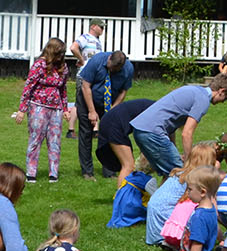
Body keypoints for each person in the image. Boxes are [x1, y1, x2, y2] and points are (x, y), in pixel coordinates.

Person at [130, 75, 227, 178]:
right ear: (221, 91)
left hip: (140, 129)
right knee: (182, 174)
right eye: (226, 97)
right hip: (153, 132)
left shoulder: (194, 90)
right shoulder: (203, 100)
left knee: (170, 173)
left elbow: (170, 122)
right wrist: (189, 161)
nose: (223, 101)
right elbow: (187, 133)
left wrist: (174, 150)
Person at [15, 38, 70, 183]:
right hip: (38, 107)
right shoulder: (39, 65)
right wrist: (22, 109)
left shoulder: (63, 68)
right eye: (59, 53)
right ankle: (31, 173)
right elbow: (28, 87)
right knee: (35, 138)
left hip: (56, 108)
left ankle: (53, 173)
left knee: (54, 141)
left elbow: (63, 89)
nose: (61, 57)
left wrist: (65, 109)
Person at [146, 143, 220, 247]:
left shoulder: (179, 173)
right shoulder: (194, 179)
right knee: (199, 206)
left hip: (154, 219)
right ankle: (180, 239)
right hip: (167, 219)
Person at [75, 49, 133, 180]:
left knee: (109, 135)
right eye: (110, 67)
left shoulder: (128, 69)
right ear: (109, 58)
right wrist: (91, 111)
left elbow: (124, 91)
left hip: (110, 102)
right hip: (87, 99)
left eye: (114, 70)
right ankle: (87, 172)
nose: (111, 70)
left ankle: (109, 171)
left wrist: (114, 108)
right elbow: (85, 86)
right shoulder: (96, 61)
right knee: (86, 133)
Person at [94, 96, 156, 182]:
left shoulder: (155, 108)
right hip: (114, 125)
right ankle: (122, 195)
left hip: (111, 121)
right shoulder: (158, 113)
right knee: (128, 166)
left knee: (128, 165)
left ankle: (126, 193)